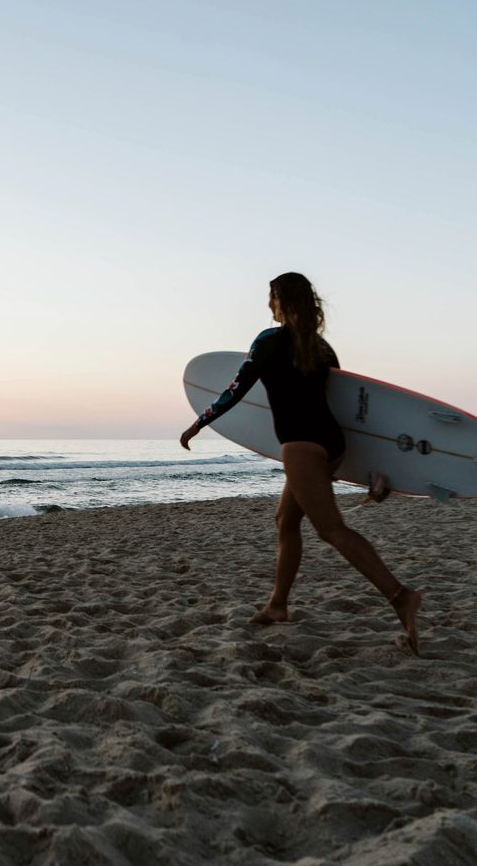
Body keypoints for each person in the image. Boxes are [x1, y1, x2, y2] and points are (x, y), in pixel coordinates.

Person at [179, 272, 421, 653]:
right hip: (330, 442)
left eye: (271, 297)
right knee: (286, 520)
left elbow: (235, 388)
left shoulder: (268, 341)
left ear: (282, 301)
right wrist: (371, 468)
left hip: (301, 445)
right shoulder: (321, 347)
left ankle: (400, 595)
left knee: (331, 529)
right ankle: (277, 605)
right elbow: (348, 409)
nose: (268, 305)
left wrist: (198, 423)